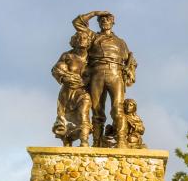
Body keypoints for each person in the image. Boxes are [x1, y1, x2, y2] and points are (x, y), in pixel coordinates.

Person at [74, 10, 136, 147]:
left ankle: (121, 141)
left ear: (113, 22)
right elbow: (77, 22)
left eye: (108, 20)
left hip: (116, 73)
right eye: (102, 20)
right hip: (97, 73)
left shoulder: (121, 42)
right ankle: (96, 142)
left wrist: (130, 69)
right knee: (97, 109)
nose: (105, 22)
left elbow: (129, 60)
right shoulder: (93, 37)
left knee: (117, 108)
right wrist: (95, 13)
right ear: (99, 23)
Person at [50, 28, 92, 147]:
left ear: (89, 41)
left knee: (83, 113)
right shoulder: (67, 56)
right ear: (74, 41)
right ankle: (67, 140)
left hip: (83, 92)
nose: (81, 40)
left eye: (84, 38)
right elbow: (55, 70)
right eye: (78, 38)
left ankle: (84, 141)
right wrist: (64, 78)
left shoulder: (92, 58)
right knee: (66, 120)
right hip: (67, 93)